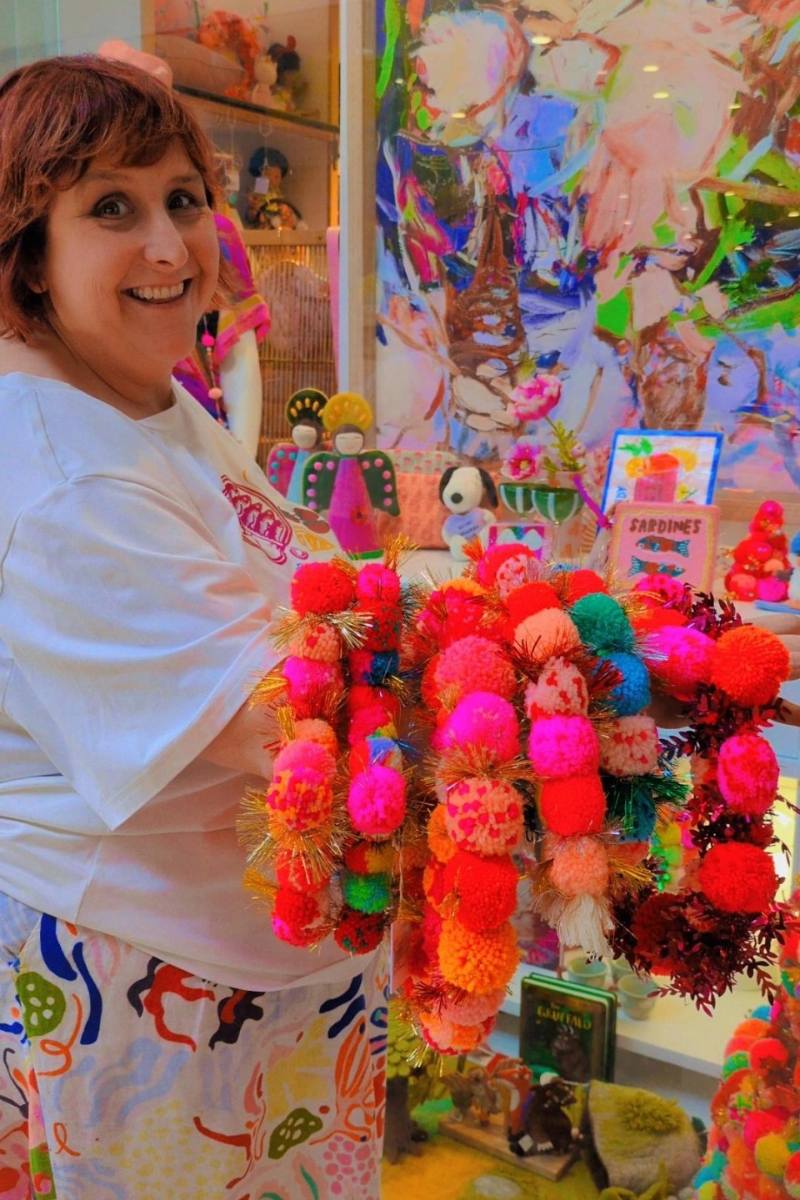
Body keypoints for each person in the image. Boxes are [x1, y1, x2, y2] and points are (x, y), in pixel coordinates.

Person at [0, 56, 385, 1199]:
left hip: (273, 978)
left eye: (181, 196)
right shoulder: (62, 474)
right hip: (148, 998)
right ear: (29, 254)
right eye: (110, 209)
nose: (170, 245)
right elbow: (288, 729)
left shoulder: (150, 398)